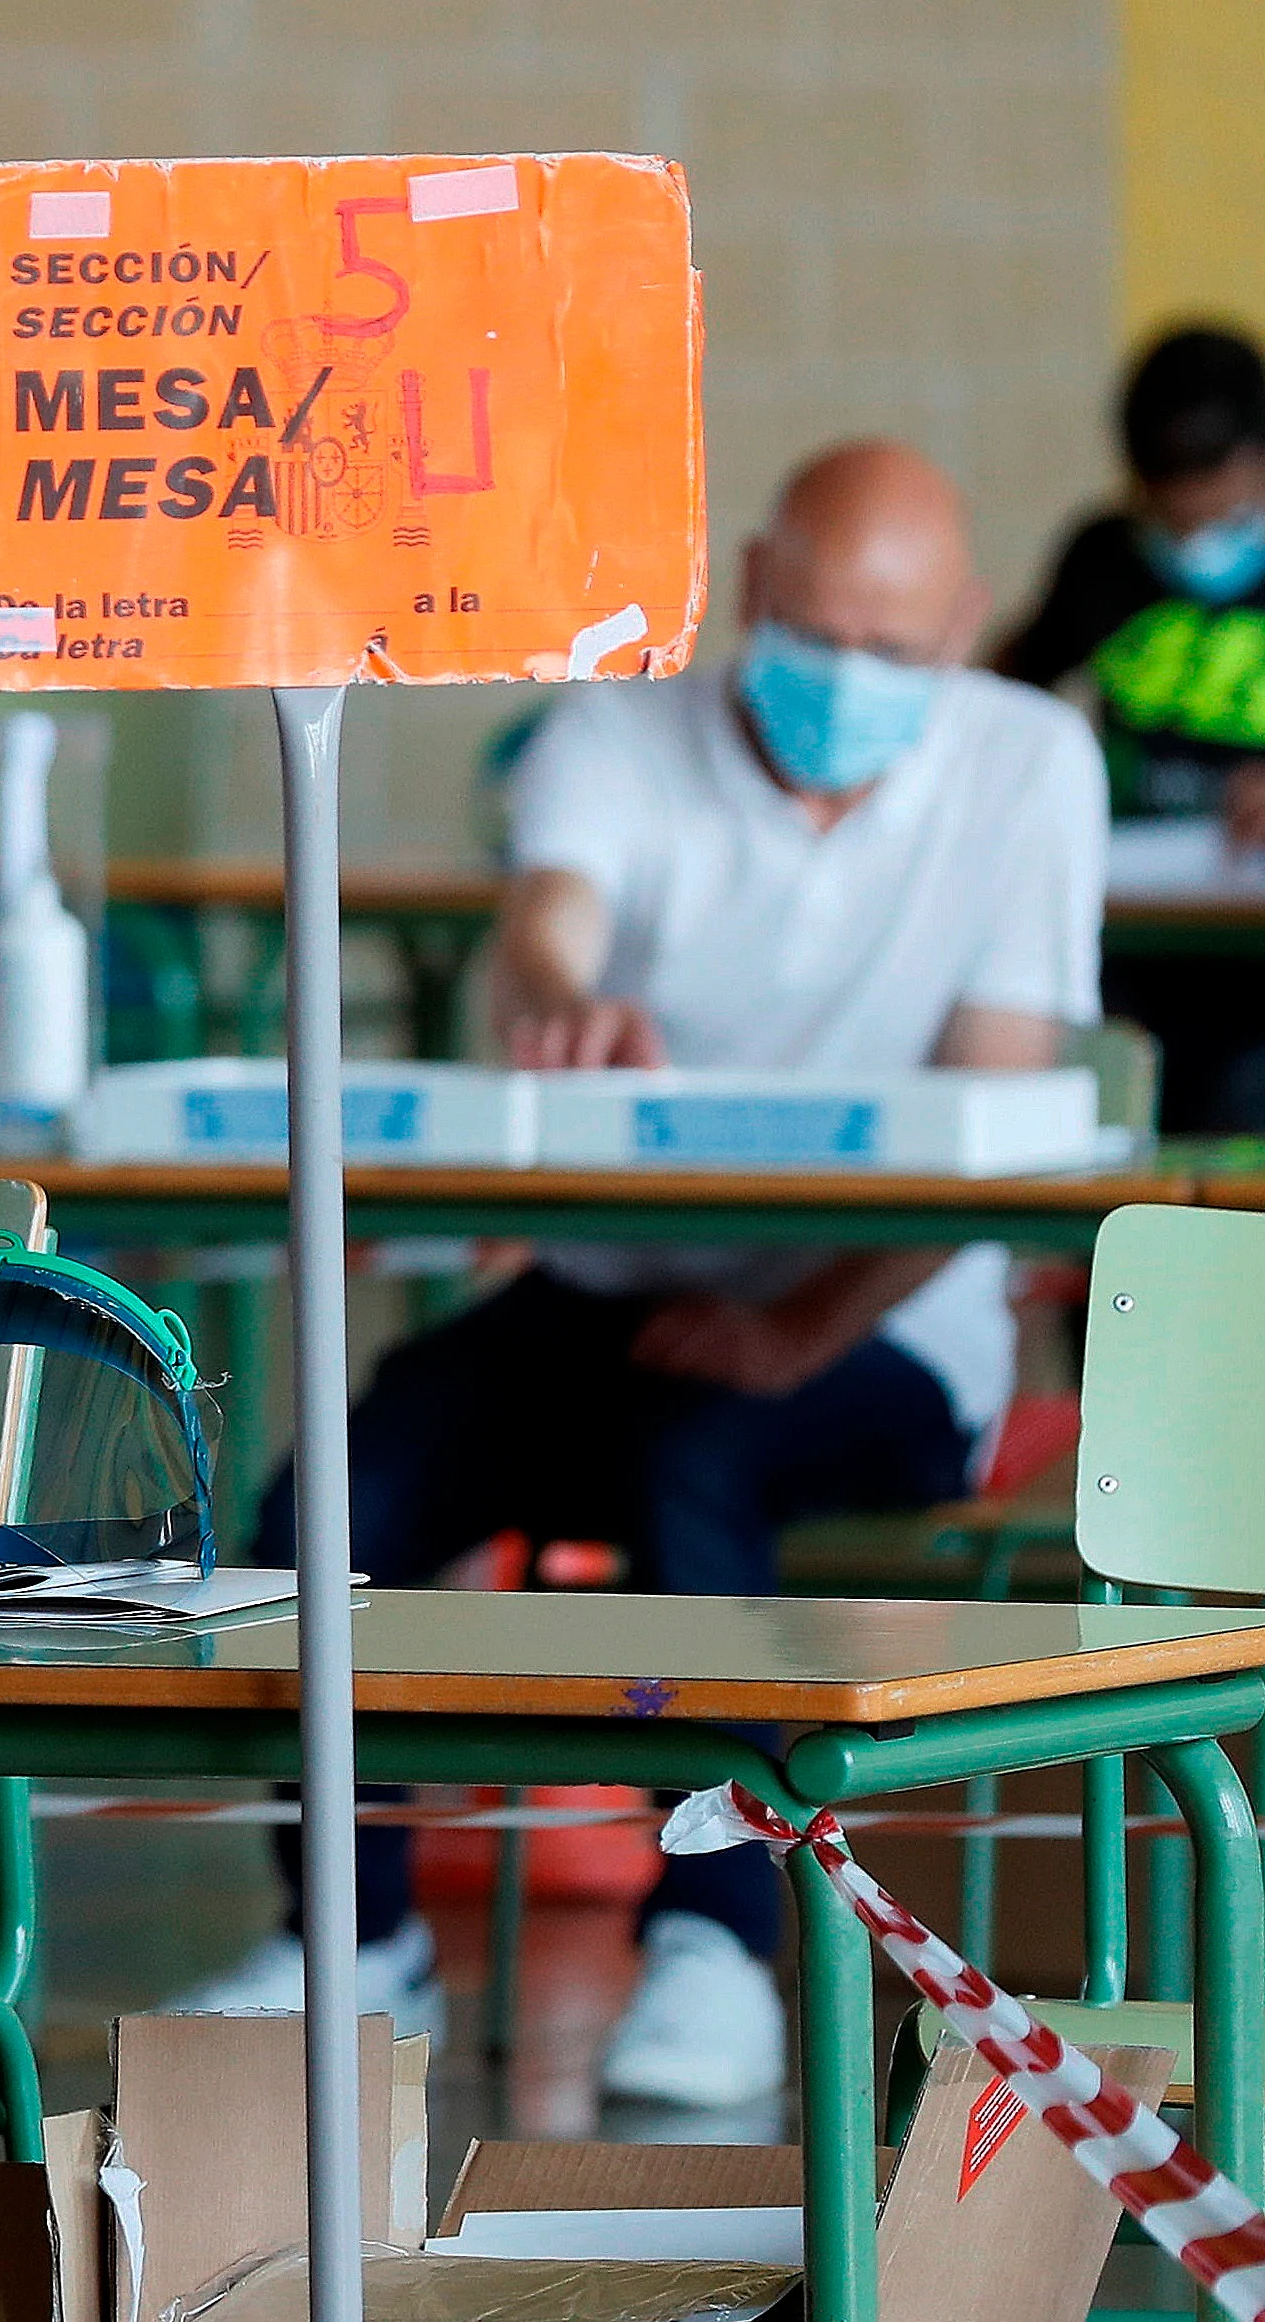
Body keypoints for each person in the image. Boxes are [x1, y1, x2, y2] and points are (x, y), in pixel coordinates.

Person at [168, 442, 1102, 2114]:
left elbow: (999, 1120)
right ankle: (350, 1945)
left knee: (694, 1467)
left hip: (886, 1315)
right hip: (607, 1296)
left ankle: (709, 1943)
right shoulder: (614, 727)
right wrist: (552, 998)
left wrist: (792, 1325)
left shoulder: (1028, 768)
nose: (847, 680)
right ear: (748, 592)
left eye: (891, 650)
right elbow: (550, 918)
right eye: (814, 632)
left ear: (963, 630)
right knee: (338, 1491)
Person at [993, 324, 1265, 1131]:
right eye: (1170, 523)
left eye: (1223, 517)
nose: (1195, 547)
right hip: (1122, 973)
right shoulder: (1101, 557)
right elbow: (1001, 703)